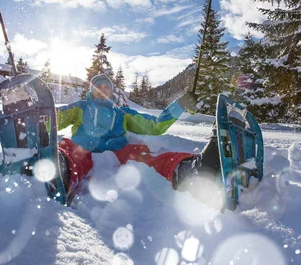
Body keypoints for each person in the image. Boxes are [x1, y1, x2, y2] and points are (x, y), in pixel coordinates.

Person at [51, 73, 221, 199]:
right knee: (67, 147)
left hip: (116, 154)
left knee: (142, 153)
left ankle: (186, 168)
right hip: (82, 150)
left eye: (106, 87)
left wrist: (180, 106)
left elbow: (155, 126)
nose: (102, 90)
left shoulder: (122, 113)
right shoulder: (81, 107)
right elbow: (54, 118)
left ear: (111, 92)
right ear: (91, 91)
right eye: (98, 87)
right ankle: (59, 171)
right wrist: (36, 117)